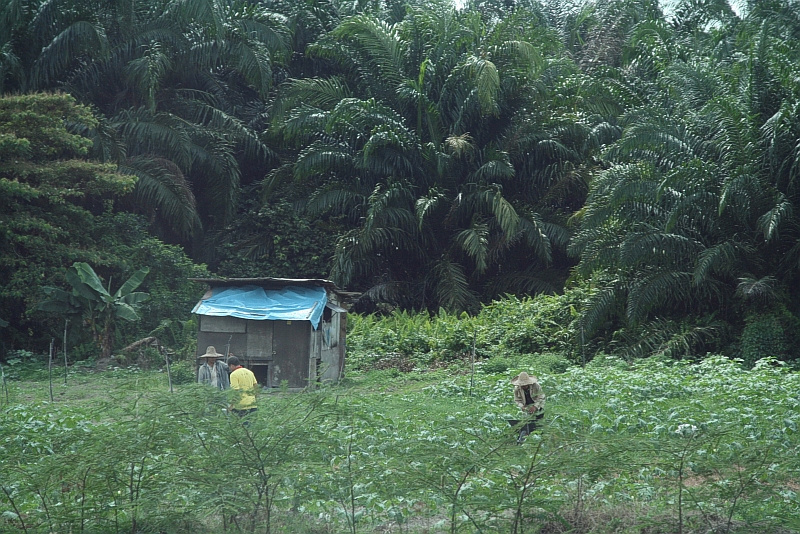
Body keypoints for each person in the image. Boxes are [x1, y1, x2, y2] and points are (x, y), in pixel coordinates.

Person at [511, 371, 545, 444]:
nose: (523, 386)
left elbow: (541, 397)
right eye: (522, 385)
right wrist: (522, 406)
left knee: (538, 422)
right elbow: (517, 400)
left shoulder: (536, 386)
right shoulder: (517, 389)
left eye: (525, 385)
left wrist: (535, 406)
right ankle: (524, 438)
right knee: (526, 423)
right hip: (526, 406)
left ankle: (540, 439)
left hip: (538, 405)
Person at [227, 355, 258, 421]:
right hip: (252, 404)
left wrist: (231, 405)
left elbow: (236, 391)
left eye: (229, 366)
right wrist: (255, 398)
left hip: (240, 406)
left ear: (232, 365)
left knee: (240, 427)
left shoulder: (233, 374)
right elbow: (256, 386)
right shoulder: (250, 372)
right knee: (251, 428)